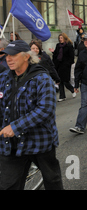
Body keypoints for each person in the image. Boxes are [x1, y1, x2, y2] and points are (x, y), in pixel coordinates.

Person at [0, 40, 63, 190]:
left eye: (13, 55)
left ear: (26, 57)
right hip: (12, 144)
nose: (8, 59)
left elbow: (45, 110)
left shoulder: (42, 78)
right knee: (8, 185)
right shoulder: (3, 78)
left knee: (52, 180)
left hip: (39, 141)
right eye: (6, 55)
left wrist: (15, 127)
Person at [51, 33, 75, 102]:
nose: (60, 39)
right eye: (59, 38)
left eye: (61, 38)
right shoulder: (58, 46)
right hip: (59, 65)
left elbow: (71, 57)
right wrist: (53, 52)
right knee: (60, 81)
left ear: (64, 38)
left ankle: (72, 90)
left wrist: (68, 63)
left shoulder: (69, 46)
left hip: (66, 65)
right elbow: (56, 54)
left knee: (65, 81)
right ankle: (62, 96)